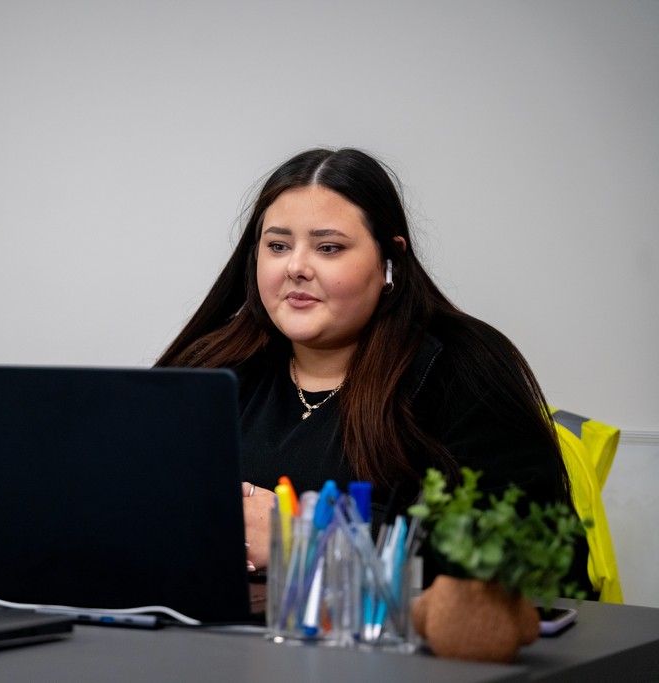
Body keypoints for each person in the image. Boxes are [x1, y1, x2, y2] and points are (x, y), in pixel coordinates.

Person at [156, 147, 591, 591]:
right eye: (278, 246)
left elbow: (529, 554)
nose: (296, 267)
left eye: (329, 248)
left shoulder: (462, 365)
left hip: (390, 633)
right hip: (207, 628)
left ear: (390, 260)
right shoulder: (212, 367)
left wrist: (305, 541)